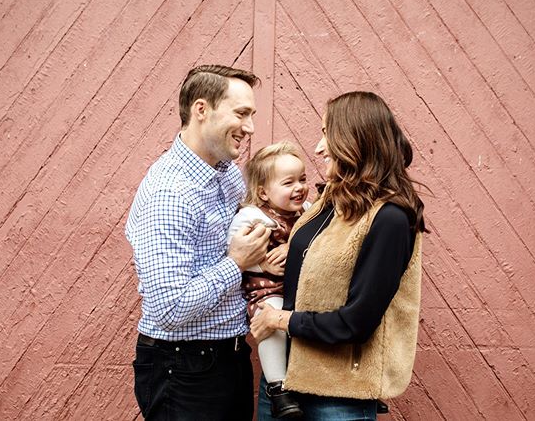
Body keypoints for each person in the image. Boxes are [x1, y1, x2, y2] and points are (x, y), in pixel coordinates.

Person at [251, 91, 428, 420]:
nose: (318, 149)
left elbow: (356, 322)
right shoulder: (328, 201)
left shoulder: (390, 217)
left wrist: (279, 320)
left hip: (337, 396)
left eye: (326, 135)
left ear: (354, 140)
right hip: (282, 388)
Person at [125, 64, 272, 420]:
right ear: (201, 110)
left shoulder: (227, 176)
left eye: (251, 115)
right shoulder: (170, 194)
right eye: (241, 114)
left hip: (228, 357)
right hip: (184, 369)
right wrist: (235, 262)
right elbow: (170, 310)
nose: (250, 127)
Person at [227, 141, 310, 418]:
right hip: (266, 290)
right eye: (289, 183)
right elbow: (232, 248)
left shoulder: (306, 212)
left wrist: (294, 245)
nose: (299, 187)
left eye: (302, 179)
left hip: (299, 290)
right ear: (263, 192)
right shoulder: (254, 216)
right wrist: (261, 261)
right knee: (270, 321)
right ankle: (278, 388)